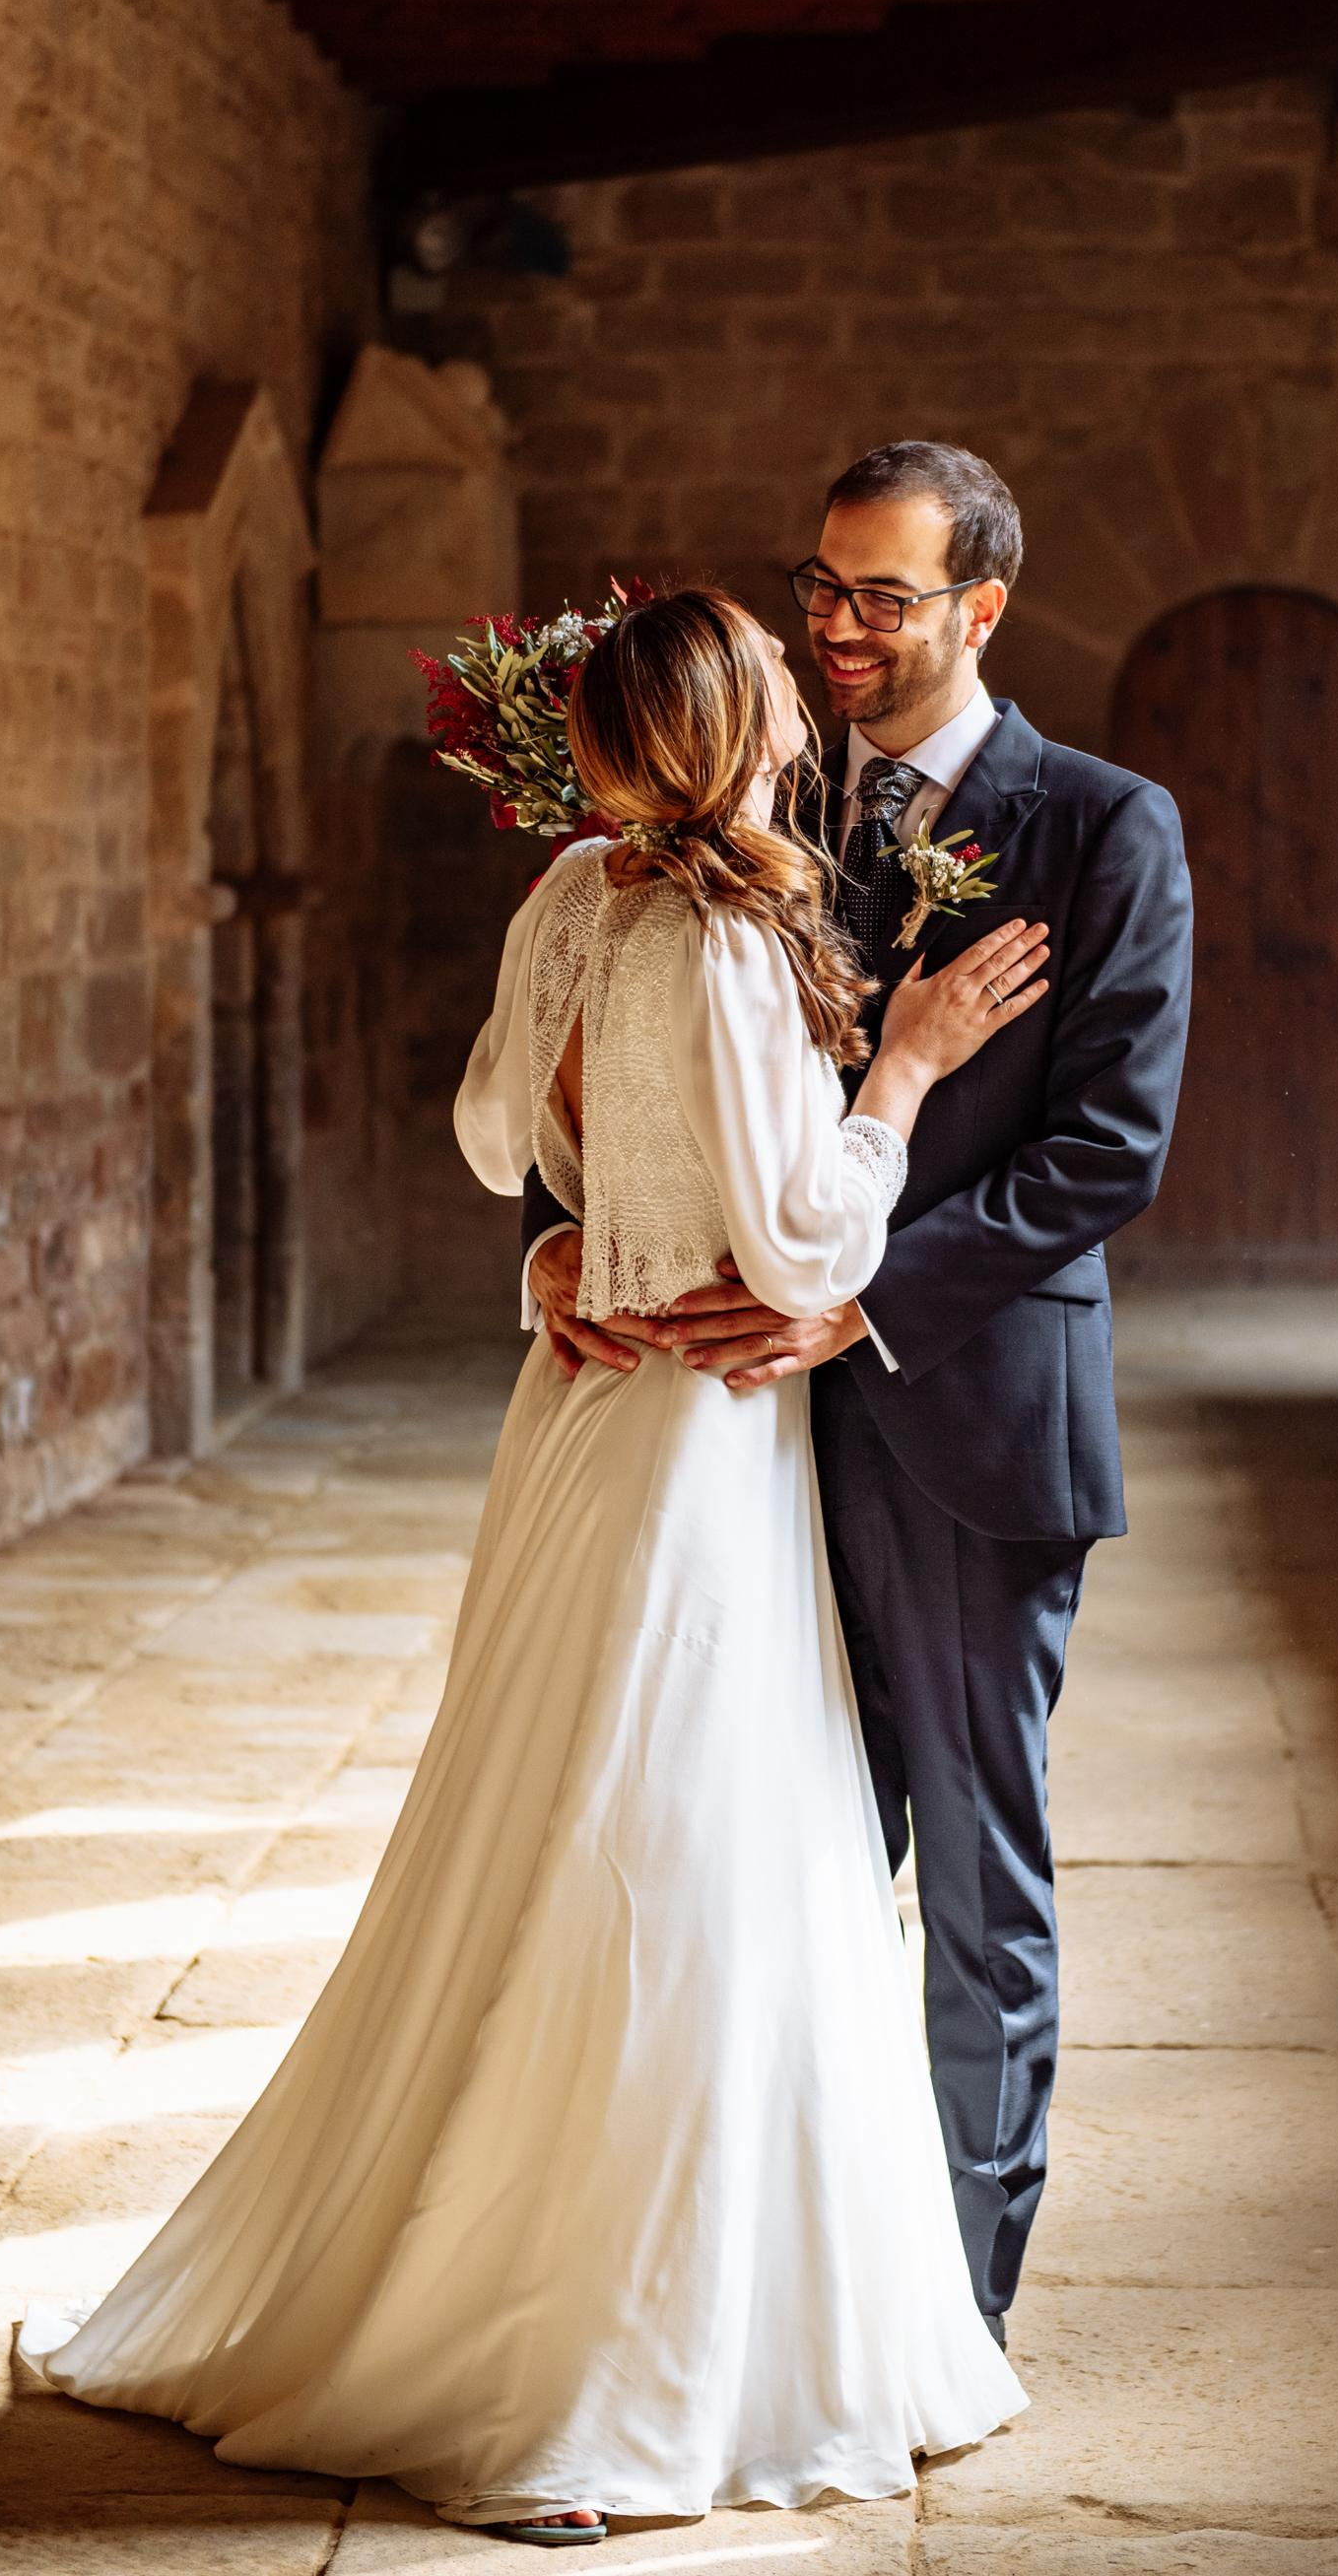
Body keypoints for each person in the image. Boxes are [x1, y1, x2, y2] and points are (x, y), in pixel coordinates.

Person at [15, 585, 1038, 2542]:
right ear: (741, 729)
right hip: (700, 1449)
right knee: (675, 1858)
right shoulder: (731, 941)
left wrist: (581, 1238)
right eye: (775, 687)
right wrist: (903, 1070)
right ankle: (588, 2370)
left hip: (581, 1418)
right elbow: (802, 1243)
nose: (800, 702)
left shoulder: (571, 896)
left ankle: (510, 2289)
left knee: (541, 1820)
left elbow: (499, 1137)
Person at [524, 441, 1195, 2347]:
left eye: (882, 599)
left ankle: (949, 2318)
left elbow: (1108, 1150)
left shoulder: (1103, 825)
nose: (834, 625)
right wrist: (561, 1239)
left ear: (983, 609)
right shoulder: (749, 787)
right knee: (750, 1869)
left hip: (962, 1422)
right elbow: (607, 1042)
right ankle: (750, 2288)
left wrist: (856, 1305)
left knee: (974, 1881)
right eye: (820, 586)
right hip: (728, 1445)